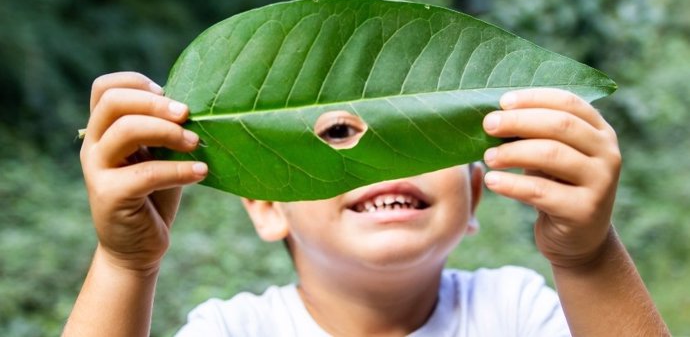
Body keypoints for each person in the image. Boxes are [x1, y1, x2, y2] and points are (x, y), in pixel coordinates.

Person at [62, 71, 669, 336]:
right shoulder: (234, 330)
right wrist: (125, 265)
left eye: (417, 138)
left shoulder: (515, 310)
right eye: (336, 137)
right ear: (268, 207)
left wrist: (588, 258)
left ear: (474, 193)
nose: (378, 160)